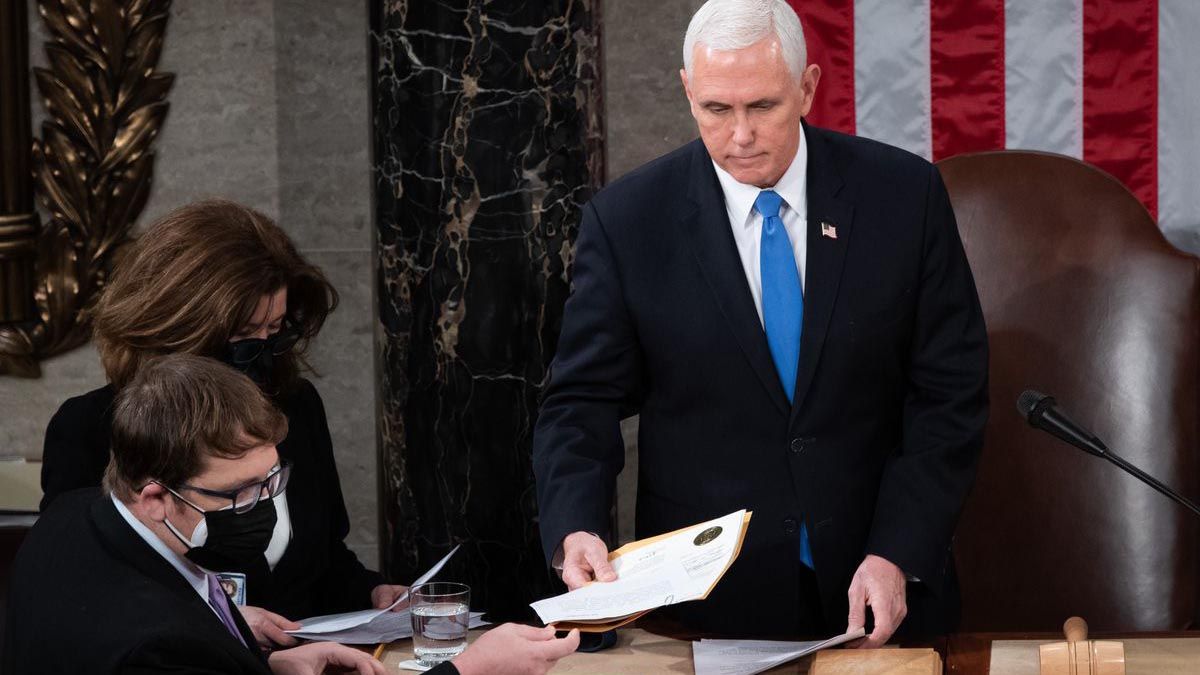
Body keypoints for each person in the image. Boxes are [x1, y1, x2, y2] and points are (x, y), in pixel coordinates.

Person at [532, 0, 988, 647]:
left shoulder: (904, 198)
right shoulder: (628, 222)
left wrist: (899, 550)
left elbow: (951, 395)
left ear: (807, 88)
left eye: (763, 106)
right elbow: (580, 402)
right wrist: (574, 528)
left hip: (882, 593)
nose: (740, 134)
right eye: (717, 109)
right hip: (708, 610)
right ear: (688, 91)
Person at [3, 355, 580, 675]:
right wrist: (468, 672)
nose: (263, 507)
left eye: (271, 480)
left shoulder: (73, 519)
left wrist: (265, 668)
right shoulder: (157, 647)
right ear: (156, 497)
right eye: (240, 493)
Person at [38, 200, 403, 647]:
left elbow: (321, 558)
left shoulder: (298, 406)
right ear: (177, 332)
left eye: (274, 333)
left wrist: (371, 592)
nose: (262, 357)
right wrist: (217, 620)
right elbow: (86, 592)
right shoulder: (89, 427)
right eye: (244, 338)